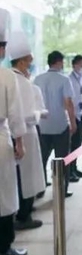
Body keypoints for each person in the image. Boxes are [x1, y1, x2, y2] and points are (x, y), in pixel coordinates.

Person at [8, 31, 45, 230]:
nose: (29, 65)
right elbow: (29, 115)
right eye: (29, 62)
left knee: (16, 176)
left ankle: (18, 212)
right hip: (26, 134)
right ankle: (24, 215)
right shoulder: (22, 83)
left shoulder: (8, 78)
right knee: (28, 175)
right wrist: (40, 113)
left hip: (10, 133)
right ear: (22, 62)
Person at [0, 29, 28, 255]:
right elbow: (15, 114)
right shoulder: (6, 76)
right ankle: (3, 247)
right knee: (4, 194)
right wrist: (20, 141)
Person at [34, 51, 76, 198]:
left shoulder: (37, 79)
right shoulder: (64, 79)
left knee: (41, 159)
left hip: (42, 125)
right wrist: (73, 123)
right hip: (60, 125)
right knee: (63, 160)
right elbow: (68, 103)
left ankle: (39, 189)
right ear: (58, 62)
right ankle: (62, 190)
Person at [68, 54, 82, 182]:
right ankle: (69, 171)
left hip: (80, 114)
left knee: (78, 144)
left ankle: (74, 168)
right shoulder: (69, 79)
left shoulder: (81, 78)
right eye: (81, 64)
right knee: (72, 145)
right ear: (75, 65)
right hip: (73, 116)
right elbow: (69, 100)